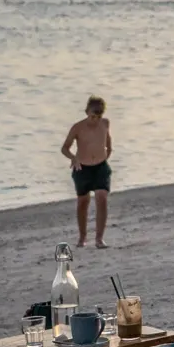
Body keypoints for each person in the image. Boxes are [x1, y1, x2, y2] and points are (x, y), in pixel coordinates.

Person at [61, 95, 113, 249]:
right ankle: (82, 237)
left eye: (98, 116)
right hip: (82, 168)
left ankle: (99, 238)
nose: (95, 120)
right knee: (83, 202)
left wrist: (106, 156)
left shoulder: (105, 124)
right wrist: (74, 158)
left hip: (101, 167)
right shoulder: (78, 127)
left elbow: (108, 143)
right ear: (86, 112)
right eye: (92, 116)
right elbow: (64, 148)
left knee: (101, 197)